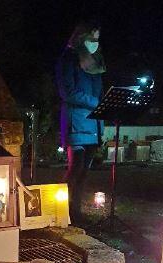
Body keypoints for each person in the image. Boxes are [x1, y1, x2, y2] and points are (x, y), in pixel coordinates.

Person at [56, 21, 106, 224]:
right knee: (75, 170)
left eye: (98, 39)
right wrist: (96, 103)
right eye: (92, 38)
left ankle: (76, 214)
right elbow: (67, 92)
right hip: (77, 123)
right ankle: (64, 212)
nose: (95, 43)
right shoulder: (68, 59)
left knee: (84, 173)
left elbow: (99, 94)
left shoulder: (95, 63)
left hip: (93, 125)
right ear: (81, 38)